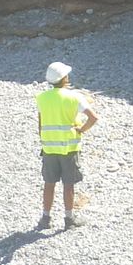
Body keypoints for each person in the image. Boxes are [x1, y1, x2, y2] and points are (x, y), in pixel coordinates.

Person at [36, 61, 98, 231]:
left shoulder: (42, 98)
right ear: (64, 78)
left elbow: (40, 125)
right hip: (69, 148)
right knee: (68, 184)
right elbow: (93, 118)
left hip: (49, 148)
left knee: (49, 183)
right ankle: (69, 218)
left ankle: (45, 218)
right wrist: (81, 130)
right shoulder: (75, 97)